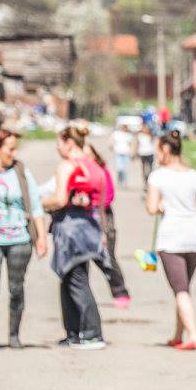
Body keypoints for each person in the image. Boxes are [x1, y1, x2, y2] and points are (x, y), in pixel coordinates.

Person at [146, 131, 196, 351]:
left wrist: (160, 206)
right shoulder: (194, 176)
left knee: (180, 290)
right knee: (183, 287)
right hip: (195, 237)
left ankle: (194, 335)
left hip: (172, 238)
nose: (156, 154)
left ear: (166, 151)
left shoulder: (158, 176)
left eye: (157, 150)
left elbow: (151, 208)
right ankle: (178, 334)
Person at [43, 123, 109, 349]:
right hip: (90, 228)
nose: (57, 148)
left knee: (77, 282)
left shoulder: (68, 166)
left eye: (59, 143)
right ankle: (72, 332)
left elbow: (60, 199)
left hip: (70, 230)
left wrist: (37, 203)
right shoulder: (96, 167)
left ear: (69, 143)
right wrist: (102, 233)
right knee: (69, 281)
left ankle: (92, 333)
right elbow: (100, 206)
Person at [0, 128, 48, 350]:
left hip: (20, 238)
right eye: (10, 149)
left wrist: (41, 238)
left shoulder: (21, 172)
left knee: (16, 287)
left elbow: (36, 207)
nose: (14, 153)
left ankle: (13, 335)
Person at [83, 138, 131, 309]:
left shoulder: (102, 172)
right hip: (84, 217)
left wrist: (91, 201)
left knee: (107, 257)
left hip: (103, 218)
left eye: (89, 155)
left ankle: (120, 291)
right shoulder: (77, 173)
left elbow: (109, 196)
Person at [110, 123, 134, 189]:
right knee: (119, 168)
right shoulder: (117, 134)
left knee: (125, 169)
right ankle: (119, 181)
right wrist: (111, 146)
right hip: (118, 152)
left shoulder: (128, 135)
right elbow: (112, 140)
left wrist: (132, 153)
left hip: (126, 153)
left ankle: (124, 183)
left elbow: (131, 144)